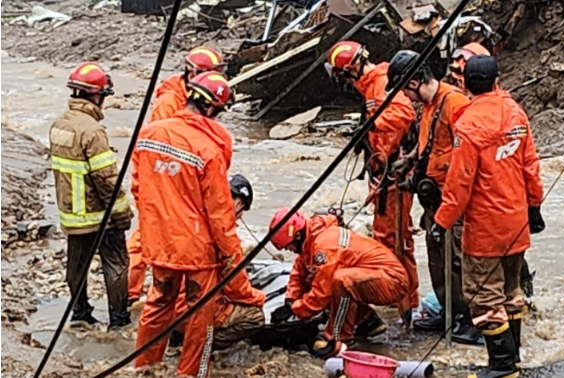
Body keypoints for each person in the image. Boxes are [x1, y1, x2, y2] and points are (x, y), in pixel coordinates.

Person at [434, 55, 544, 378]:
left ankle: (502, 366)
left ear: (465, 84)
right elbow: (531, 167)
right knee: (512, 291)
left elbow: (459, 185)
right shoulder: (515, 113)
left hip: (484, 230)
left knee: (483, 298)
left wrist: (441, 222)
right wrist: (534, 208)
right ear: (497, 80)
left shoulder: (467, 125)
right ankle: (515, 357)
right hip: (517, 223)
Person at [133, 72, 240, 377]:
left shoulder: (149, 134)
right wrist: (232, 259)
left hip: (160, 243)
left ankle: (144, 368)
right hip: (197, 251)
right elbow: (220, 215)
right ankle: (189, 374)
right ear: (211, 109)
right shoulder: (209, 149)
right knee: (199, 316)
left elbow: (139, 189)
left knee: (158, 304)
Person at [127, 46, 230, 306]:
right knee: (145, 238)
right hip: (165, 180)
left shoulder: (190, 99)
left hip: (175, 178)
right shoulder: (169, 103)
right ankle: (129, 293)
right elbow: (160, 145)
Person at [386, 50, 477, 343]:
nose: (404, 96)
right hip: (432, 199)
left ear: (414, 81)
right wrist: (411, 159)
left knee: (459, 260)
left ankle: (472, 318)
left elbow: (466, 153)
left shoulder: (455, 104)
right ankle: (448, 311)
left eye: (403, 88)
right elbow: (431, 145)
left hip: (454, 199)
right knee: (437, 258)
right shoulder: (426, 107)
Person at [325, 41, 418, 321]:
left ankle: (406, 302)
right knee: (386, 238)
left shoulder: (381, 84)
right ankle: (395, 296)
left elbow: (404, 114)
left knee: (396, 240)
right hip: (383, 174)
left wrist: (371, 124)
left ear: (353, 68)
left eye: (344, 77)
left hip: (395, 175)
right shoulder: (371, 86)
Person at [49, 62, 133, 330]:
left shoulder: (60, 124)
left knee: (76, 264)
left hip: (72, 214)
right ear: (97, 95)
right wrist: (122, 213)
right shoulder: (93, 131)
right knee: (116, 262)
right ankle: (118, 320)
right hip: (99, 214)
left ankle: (80, 313)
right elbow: (107, 179)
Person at [268, 208, 409, 358]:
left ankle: (338, 336)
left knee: (341, 281)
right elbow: (299, 271)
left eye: (288, 246)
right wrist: (290, 301)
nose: (288, 250)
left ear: (296, 236)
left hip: (392, 280)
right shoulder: (312, 238)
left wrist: (296, 310)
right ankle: (366, 320)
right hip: (372, 275)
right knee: (320, 278)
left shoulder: (325, 245)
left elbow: (322, 293)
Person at [169, 173, 266, 351]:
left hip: (169, 304)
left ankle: (176, 339)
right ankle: (202, 346)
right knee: (255, 316)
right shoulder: (225, 235)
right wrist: (258, 297)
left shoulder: (190, 218)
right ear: (237, 202)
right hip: (197, 308)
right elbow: (235, 286)